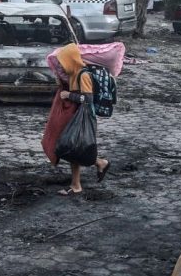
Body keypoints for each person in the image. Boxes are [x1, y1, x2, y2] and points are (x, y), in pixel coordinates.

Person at [41, 43, 124, 196]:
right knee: (74, 147)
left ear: (71, 60)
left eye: (63, 62)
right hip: (75, 115)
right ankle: (98, 165)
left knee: (75, 147)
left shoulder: (84, 75)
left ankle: (77, 184)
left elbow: (88, 99)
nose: (62, 65)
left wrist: (69, 96)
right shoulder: (73, 74)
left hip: (84, 116)